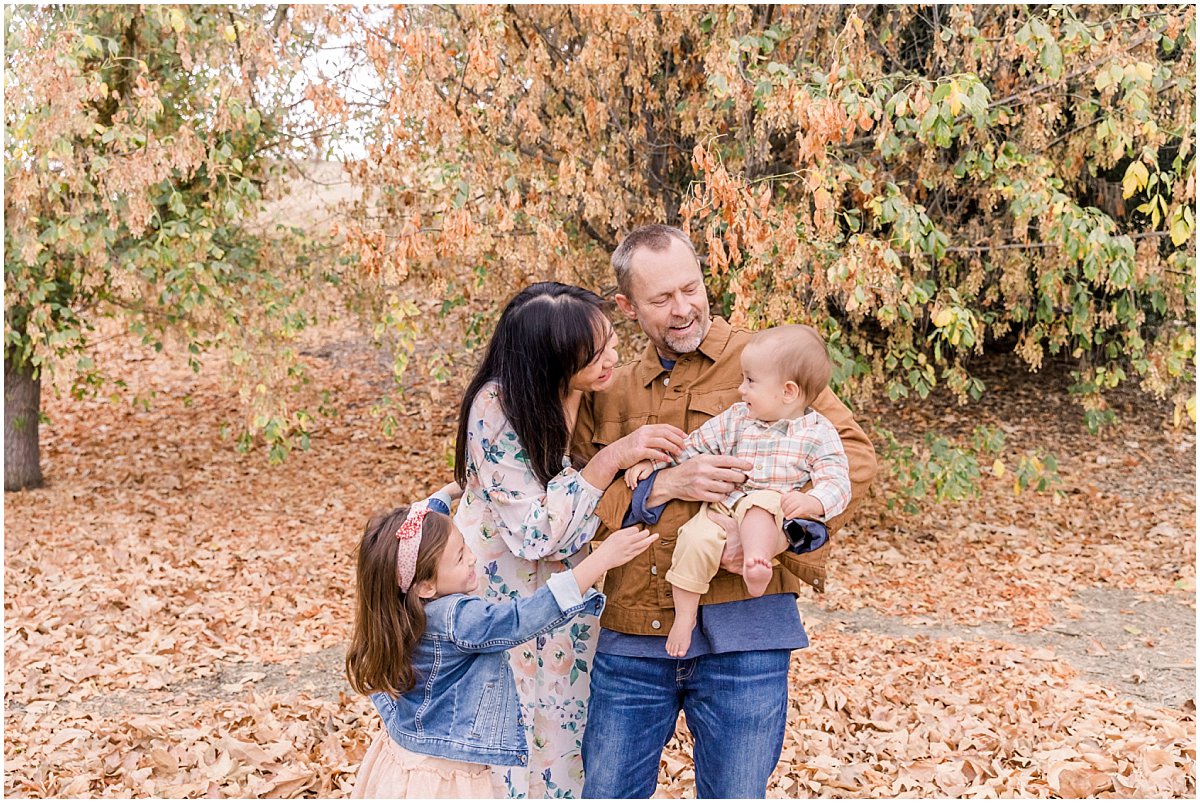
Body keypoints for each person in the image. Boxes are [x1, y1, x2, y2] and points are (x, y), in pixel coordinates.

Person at [572, 225, 878, 798]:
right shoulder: (608, 386)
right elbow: (577, 503)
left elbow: (853, 460)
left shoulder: (768, 361)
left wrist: (780, 535)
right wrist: (658, 486)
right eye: (661, 300)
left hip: (747, 632)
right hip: (632, 633)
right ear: (626, 307)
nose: (683, 309)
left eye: (691, 288)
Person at [453, 282, 686, 798]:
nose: (613, 357)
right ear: (550, 361)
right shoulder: (497, 405)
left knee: (567, 739)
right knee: (510, 745)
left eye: (609, 342)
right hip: (505, 595)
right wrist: (609, 461)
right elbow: (534, 533)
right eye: (595, 353)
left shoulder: (593, 393)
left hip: (571, 599)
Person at [345, 496, 659, 799]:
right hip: (446, 775)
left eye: (465, 546)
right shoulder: (459, 618)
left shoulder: (401, 609)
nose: (471, 558)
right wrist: (600, 560)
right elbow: (521, 619)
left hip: (407, 755)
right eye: (459, 557)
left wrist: (450, 493)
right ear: (426, 586)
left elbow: (424, 516)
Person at [624, 324, 851, 657]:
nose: (741, 390)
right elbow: (693, 447)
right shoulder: (737, 418)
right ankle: (684, 617)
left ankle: (755, 561)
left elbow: (837, 481)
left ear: (788, 392)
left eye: (750, 381)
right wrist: (655, 463)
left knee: (758, 506)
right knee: (694, 538)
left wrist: (812, 501)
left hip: (772, 505)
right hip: (723, 506)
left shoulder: (818, 433)